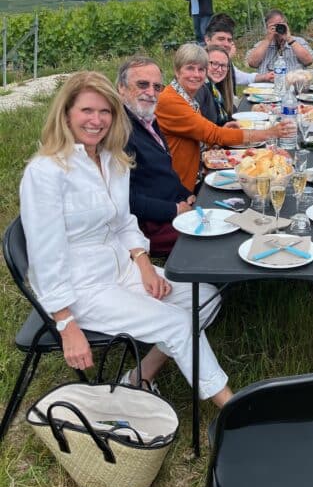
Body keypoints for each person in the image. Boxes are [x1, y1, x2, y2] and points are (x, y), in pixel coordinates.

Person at [19, 71, 233, 406]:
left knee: (205, 298)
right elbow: (45, 257)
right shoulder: (46, 172)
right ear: (66, 114)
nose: (96, 120)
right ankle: (232, 411)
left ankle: (139, 376)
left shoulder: (111, 159)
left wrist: (145, 266)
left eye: (105, 111)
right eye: (87, 110)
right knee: (177, 323)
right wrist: (65, 324)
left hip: (122, 268)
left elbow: (124, 222)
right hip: (82, 287)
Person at [155, 43, 293, 190]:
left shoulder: (184, 96)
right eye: (190, 68)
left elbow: (198, 134)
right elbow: (214, 134)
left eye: (201, 69)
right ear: (177, 71)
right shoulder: (170, 101)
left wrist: (223, 130)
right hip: (181, 187)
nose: (196, 74)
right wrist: (269, 133)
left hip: (194, 175)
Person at [116, 56, 194, 258]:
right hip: (150, 226)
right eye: (142, 84)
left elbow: (163, 171)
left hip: (172, 206)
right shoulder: (119, 132)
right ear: (121, 88)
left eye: (157, 87)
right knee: (214, 237)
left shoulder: (146, 117)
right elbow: (125, 200)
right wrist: (174, 210)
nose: (151, 93)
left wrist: (185, 193)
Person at [205, 13, 273, 88]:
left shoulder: (224, 61)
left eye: (229, 40)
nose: (226, 44)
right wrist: (226, 60)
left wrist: (265, 76)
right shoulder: (199, 63)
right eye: (221, 39)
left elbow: (238, 76)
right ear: (207, 40)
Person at [246, 9, 313, 74]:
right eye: (274, 26)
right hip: (267, 81)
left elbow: (308, 61)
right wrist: (267, 40)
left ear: (286, 24)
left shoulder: (299, 42)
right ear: (267, 28)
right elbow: (252, 63)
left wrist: (289, 39)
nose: (278, 28)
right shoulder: (261, 45)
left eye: (280, 25)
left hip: (293, 80)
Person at [200, 45, 236, 126]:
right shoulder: (201, 89)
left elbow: (233, 113)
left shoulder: (217, 89)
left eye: (223, 65)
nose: (219, 69)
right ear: (203, 64)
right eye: (214, 63)